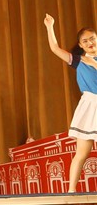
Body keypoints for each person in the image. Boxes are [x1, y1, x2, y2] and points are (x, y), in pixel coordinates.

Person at [43, 14, 97, 193]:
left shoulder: (90, 61)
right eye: (85, 41)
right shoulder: (78, 60)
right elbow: (54, 48)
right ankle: (71, 190)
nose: (90, 43)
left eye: (92, 38)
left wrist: (94, 63)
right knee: (81, 153)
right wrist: (50, 27)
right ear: (80, 45)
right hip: (90, 106)